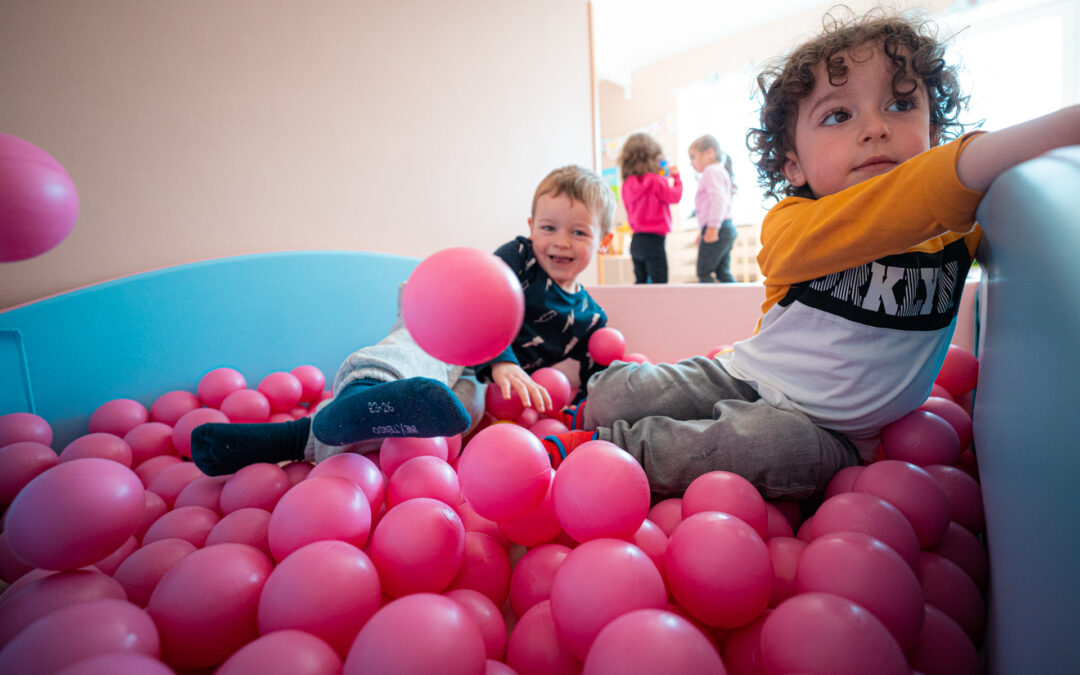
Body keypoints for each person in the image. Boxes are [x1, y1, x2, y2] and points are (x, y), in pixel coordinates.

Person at [543, 9, 1080, 500]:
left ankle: (606, 450)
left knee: (765, 447)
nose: (876, 128)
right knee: (623, 394)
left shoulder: (959, 230)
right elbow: (901, 204)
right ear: (793, 166)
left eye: (901, 103)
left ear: (934, 133)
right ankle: (595, 404)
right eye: (838, 116)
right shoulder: (793, 225)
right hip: (746, 373)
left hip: (830, 433)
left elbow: (1022, 239)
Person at [192, 165, 617, 476]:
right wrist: (503, 359)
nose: (560, 242)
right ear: (530, 227)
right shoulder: (519, 258)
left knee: (456, 415)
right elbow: (484, 301)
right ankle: (366, 389)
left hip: (479, 380)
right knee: (414, 355)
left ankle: (290, 439)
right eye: (549, 227)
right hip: (450, 327)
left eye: (579, 233)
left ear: (605, 242)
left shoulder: (589, 317)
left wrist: (580, 414)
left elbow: (599, 372)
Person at [618, 133, 683, 284]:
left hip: (637, 240)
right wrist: (677, 178)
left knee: (641, 282)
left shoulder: (627, 184)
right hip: (655, 241)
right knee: (659, 283)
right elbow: (675, 196)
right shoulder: (656, 181)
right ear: (653, 158)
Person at [688, 134, 738, 283]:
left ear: (709, 152)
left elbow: (718, 200)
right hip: (725, 227)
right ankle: (734, 303)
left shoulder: (710, 171)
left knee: (704, 272)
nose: (691, 162)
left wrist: (712, 228)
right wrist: (704, 229)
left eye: (693, 156)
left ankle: (708, 305)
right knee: (722, 272)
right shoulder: (719, 171)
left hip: (719, 227)